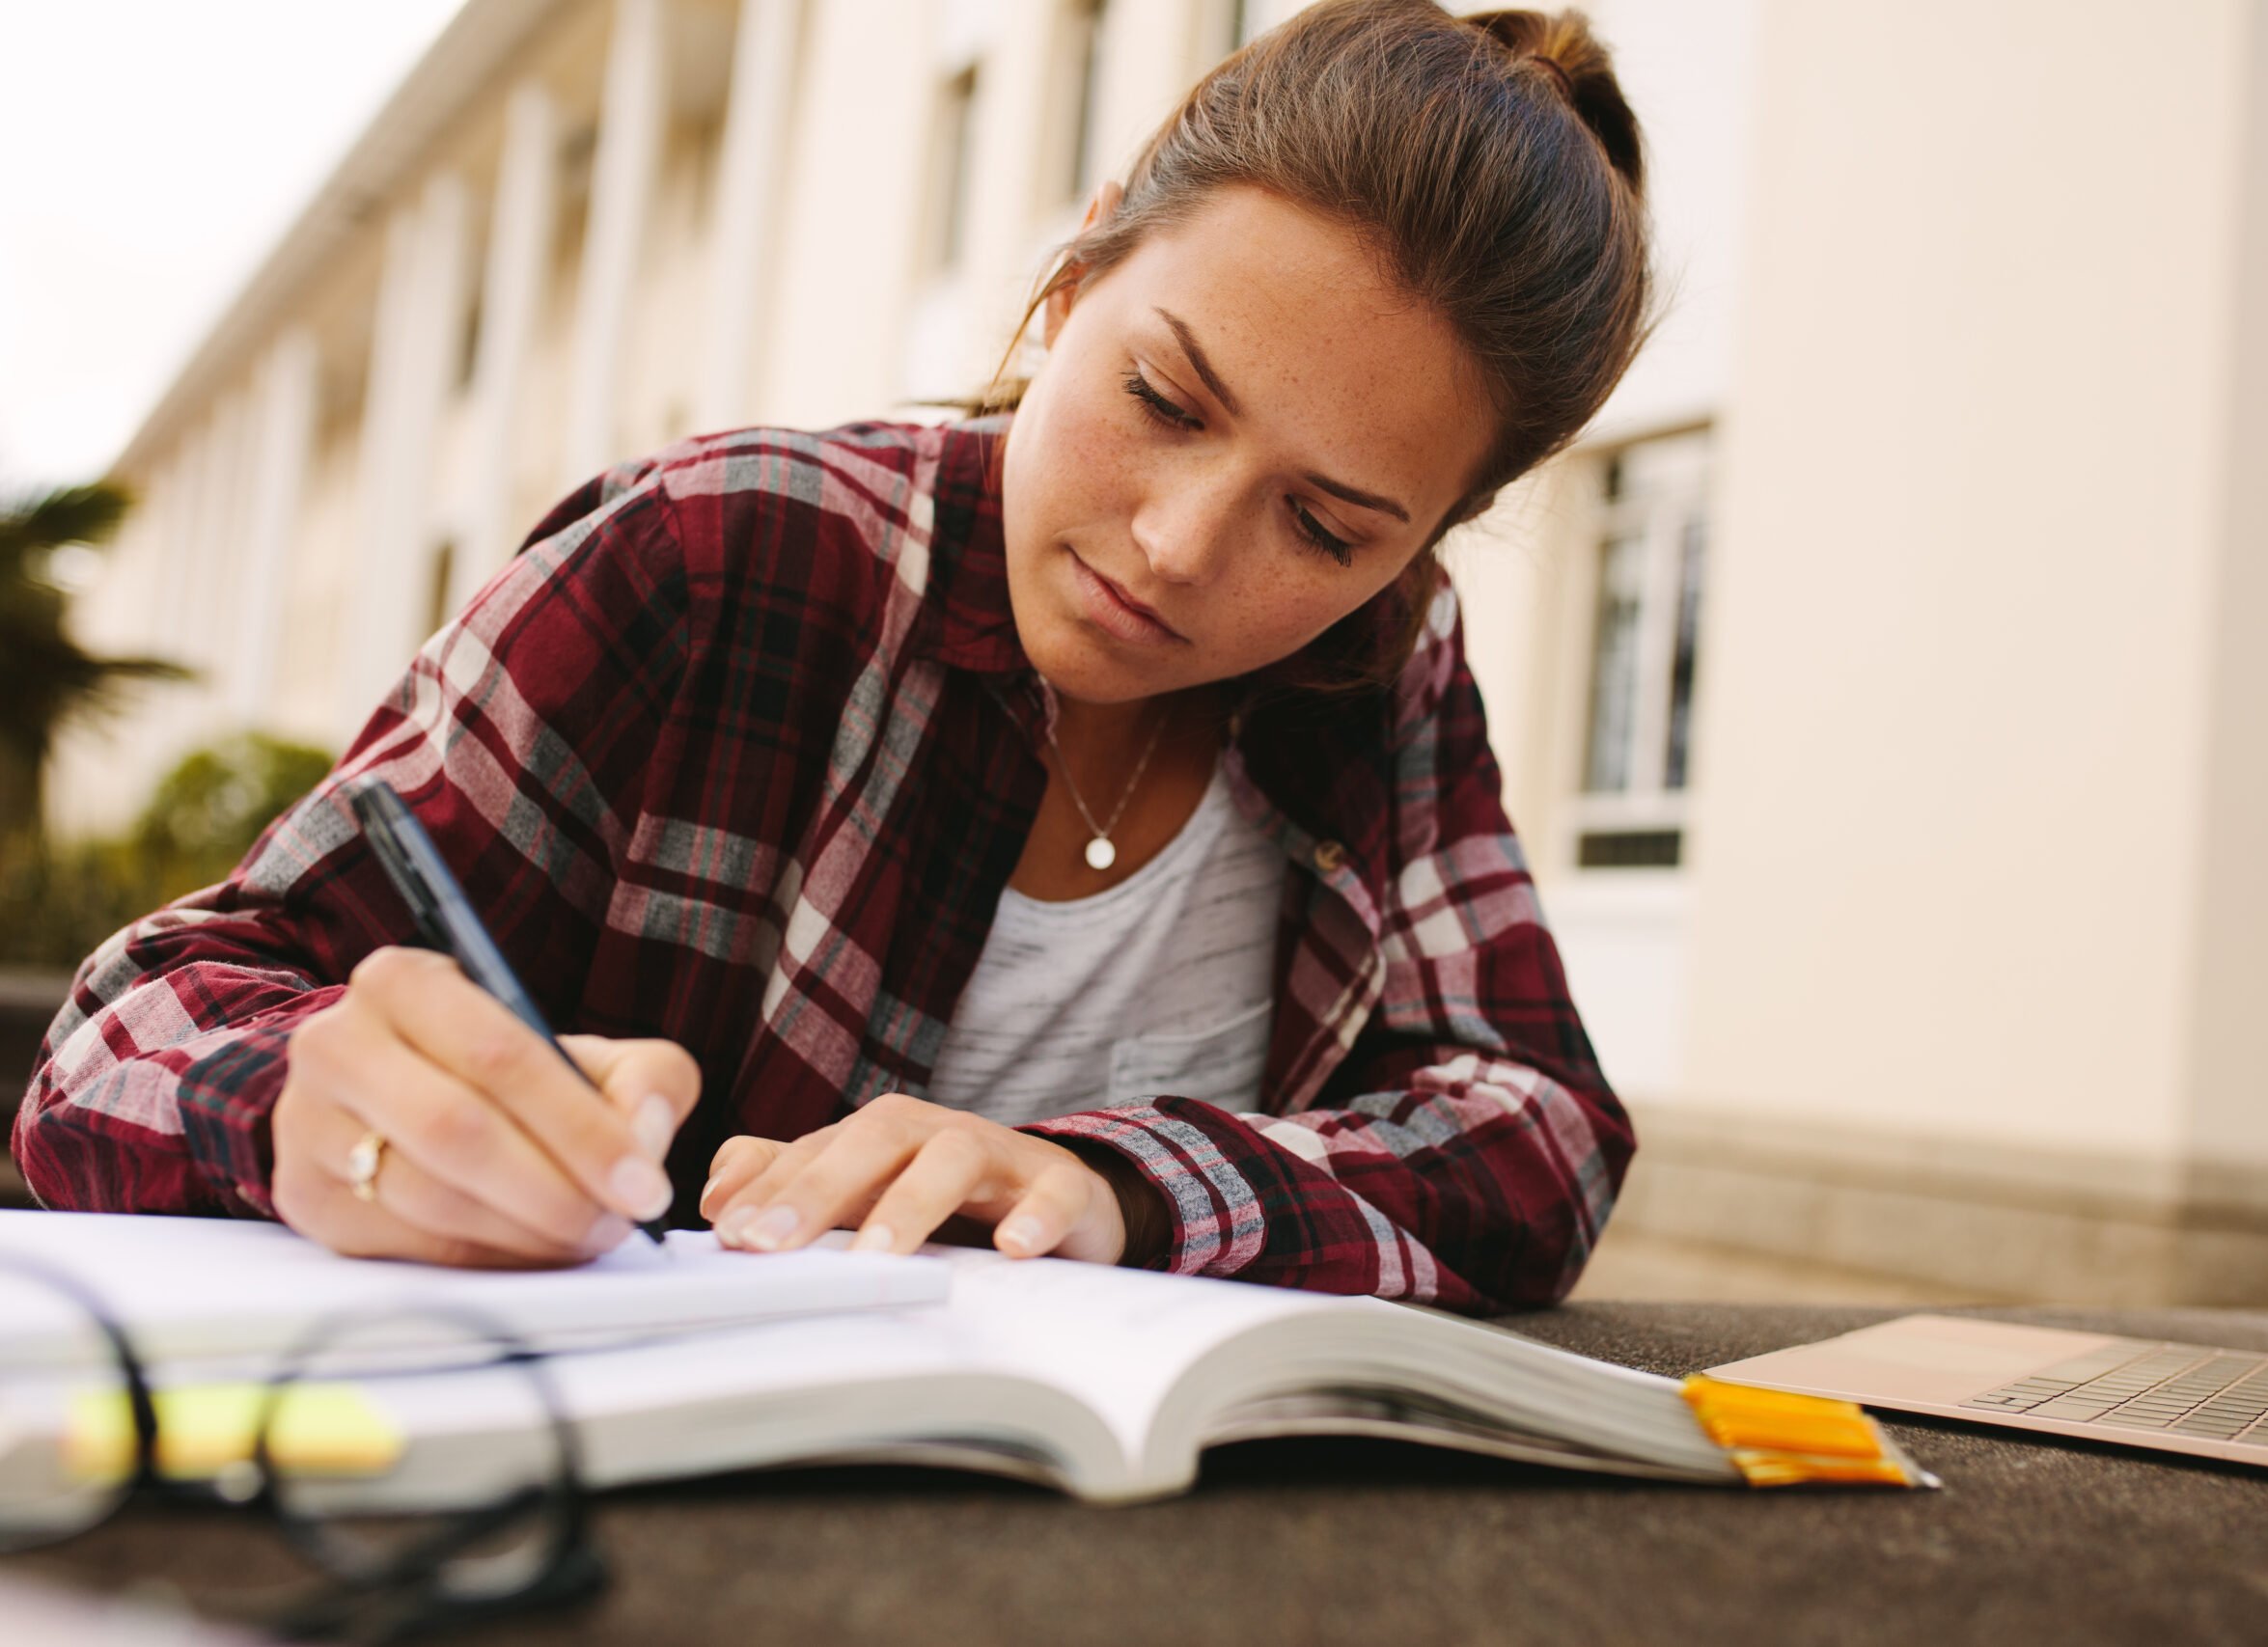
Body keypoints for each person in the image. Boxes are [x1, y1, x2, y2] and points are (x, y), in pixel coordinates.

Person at [15, 0, 1653, 1315]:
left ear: (1429, 537)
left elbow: (1540, 1131)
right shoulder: (724, 550)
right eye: (1165, 401)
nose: (1176, 545)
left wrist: (1117, 1183)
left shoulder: (1375, 667)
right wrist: (319, 1107)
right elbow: (120, 1035)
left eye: (1327, 525)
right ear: (1078, 267)